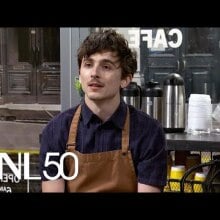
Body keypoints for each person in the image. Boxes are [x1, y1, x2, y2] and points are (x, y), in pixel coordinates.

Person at [39, 28, 167, 192]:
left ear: (125, 79)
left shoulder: (148, 132)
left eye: (106, 66)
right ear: (80, 73)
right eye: (88, 64)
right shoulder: (56, 131)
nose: (94, 73)